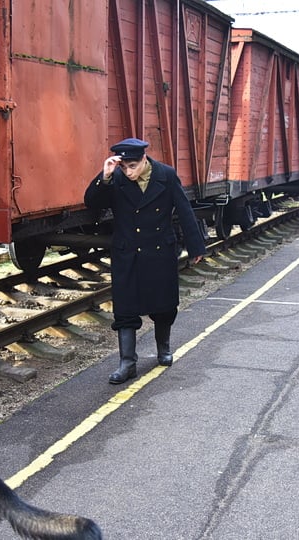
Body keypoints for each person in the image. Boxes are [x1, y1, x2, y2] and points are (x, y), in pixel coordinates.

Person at [84, 138, 206, 384]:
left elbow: (184, 210)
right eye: (124, 167)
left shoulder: (166, 175)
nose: (128, 172)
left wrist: (196, 246)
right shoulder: (115, 178)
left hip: (159, 251)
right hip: (127, 252)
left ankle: (163, 349)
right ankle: (127, 363)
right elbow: (92, 204)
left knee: (164, 306)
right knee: (125, 309)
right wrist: (105, 176)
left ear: (144, 160)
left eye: (132, 166)